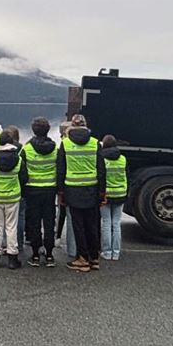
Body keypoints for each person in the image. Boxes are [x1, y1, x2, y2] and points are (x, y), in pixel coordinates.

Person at [58, 114, 106, 272]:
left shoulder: (65, 144)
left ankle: (82, 259)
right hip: (91, 189)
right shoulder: (95, 143)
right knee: (92, 224)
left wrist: (60, 192)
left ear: (72, 125)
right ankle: (94, 258)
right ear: (86, 125)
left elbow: (61, 169)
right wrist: (102, 192)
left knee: (78, 226)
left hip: (72, 189)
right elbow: (101, 169)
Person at [0, 130, 28, 269]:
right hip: (13, 197)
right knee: (11, 227)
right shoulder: (18, 159)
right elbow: (24, 178)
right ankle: (12, 258)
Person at [20, 118, 59, 267]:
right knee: (49, 223)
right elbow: (59, 169)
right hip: (49, 190)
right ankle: (49, 255)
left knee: (34, 222)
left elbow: (22, 172)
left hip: (32, 190)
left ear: (33, 130)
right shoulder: (55, 149)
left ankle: (35, 254)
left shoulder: (27, 149)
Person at [99, 134, 127, 262]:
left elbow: (100, 178)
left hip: (106, 195)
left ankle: (106, 251)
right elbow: (127, 175)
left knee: (106, 223)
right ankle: (116, 253)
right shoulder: (123, 159)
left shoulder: (101, 159)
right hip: (120, 193)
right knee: (116, 224)